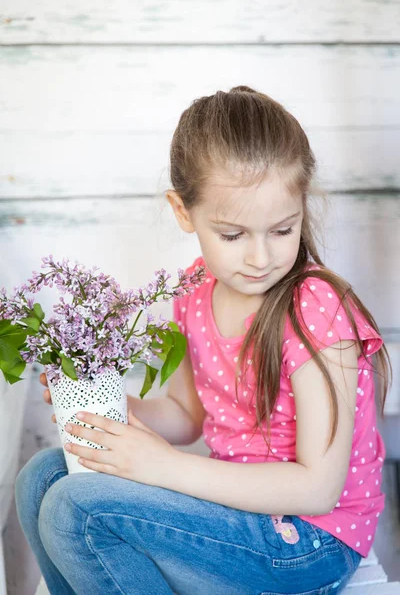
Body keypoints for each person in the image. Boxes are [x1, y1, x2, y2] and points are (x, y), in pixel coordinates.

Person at [15, 86, 392, 595]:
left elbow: (318, 488)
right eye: (233, 235)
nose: (260, 257)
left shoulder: (314, 309)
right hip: (235, 513)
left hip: (308, 541)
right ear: (183, 211)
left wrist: (165, 467)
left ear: (302, 205)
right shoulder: (195, 291)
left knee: (75, 508)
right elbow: (189, 416)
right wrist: (116, 412)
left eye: (282, 230)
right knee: (42, 477)